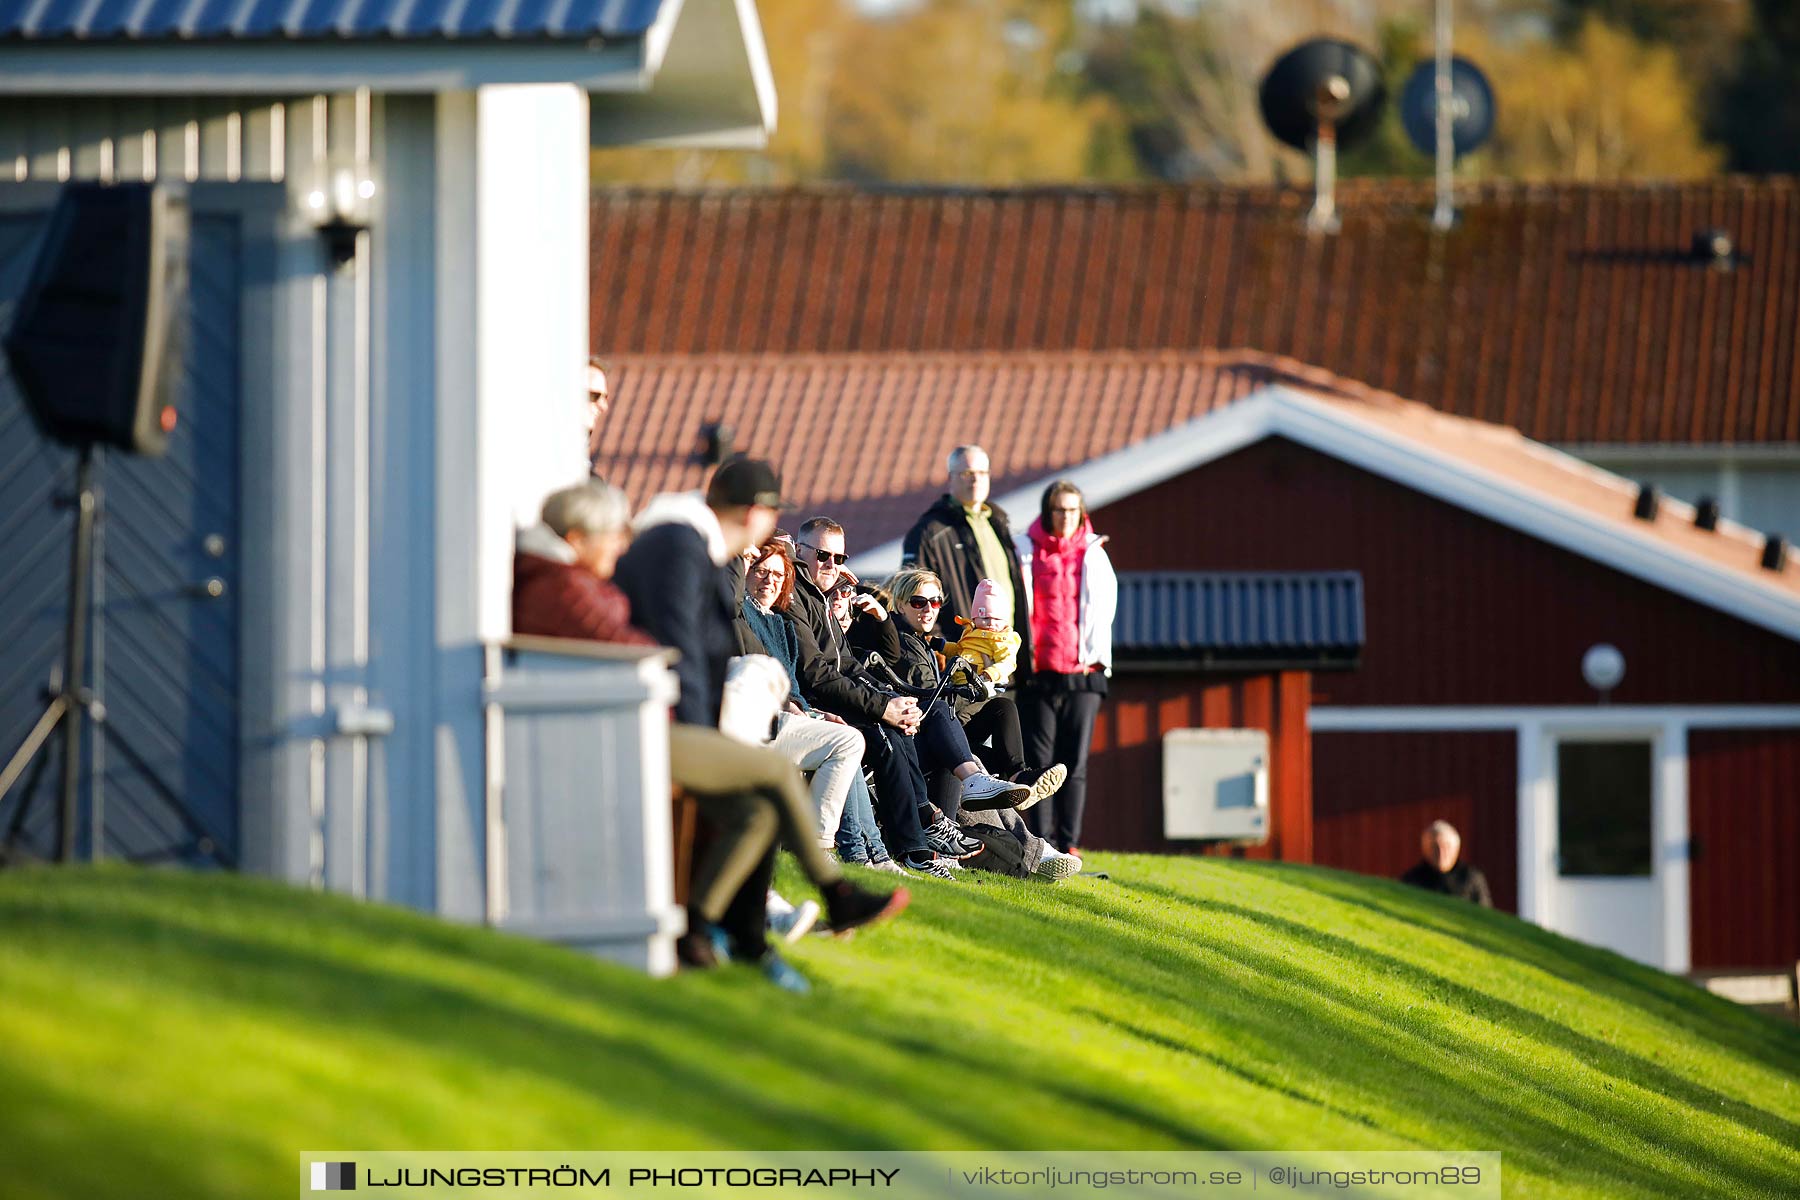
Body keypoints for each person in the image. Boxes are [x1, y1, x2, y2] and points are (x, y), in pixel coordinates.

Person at [613, 458, 908, 990]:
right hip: (646, 728)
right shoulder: (680, 547)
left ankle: (706, 931)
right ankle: (835, 895)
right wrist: (710, 742)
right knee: (769, 776)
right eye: (771, 515)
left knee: (756, 813)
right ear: (754, 512)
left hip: (666, 723)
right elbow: (681, 653)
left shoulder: (693, 549)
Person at [791, 518, 1026, 878]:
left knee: (942, 715)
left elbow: (851, 666)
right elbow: (822, 674)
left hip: (880, 714)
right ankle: (923, 835)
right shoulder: (803, 601)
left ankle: (986, 814)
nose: (831, 565)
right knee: (908, 725)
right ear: (798, 550)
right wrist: (886, 703)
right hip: (821, 712)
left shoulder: (820, 600)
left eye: (839, 558)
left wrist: (890, 699)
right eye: (822, 555)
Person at [876, 568, 1082, 881]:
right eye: (919, 602)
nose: (929, 608)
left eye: (936, 602)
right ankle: (1030, 850)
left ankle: (1018, 784)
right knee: (970, 765)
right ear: (901, 604)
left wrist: (978, 678)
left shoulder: (923, 641)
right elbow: (920, 698)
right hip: (916, 739)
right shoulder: (901, 642)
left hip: (939, 729)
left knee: (997, 721)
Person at [734, 540, 881, 863]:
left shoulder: (782, 625)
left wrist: (814, 713)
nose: (769, 580)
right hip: (757, 719)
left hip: (791, 714)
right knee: (848, 742)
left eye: (777, 574)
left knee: (846, 734)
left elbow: (796, 686)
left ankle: (873, 851)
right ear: (745, 573)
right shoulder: (739, 613)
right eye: (761, 571)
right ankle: (825, 846)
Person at [1015, 480, 1117, 856]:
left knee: (1074, 762)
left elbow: (1105, 611)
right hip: (1038, 673)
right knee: (1039, 764)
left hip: (1084, 673)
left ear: (1082, 513)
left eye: (1072, 510)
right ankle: (1040, 843)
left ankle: (1069, 842)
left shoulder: (1095, 553)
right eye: (1059, 509)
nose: (1065, 516)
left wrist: (1096, 656)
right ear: (1047, 512)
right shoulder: (1023, 550)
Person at [901, 445, 1033, 674]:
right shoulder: (930, 532)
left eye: (982, 473)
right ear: (951, 478)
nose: (976, 480)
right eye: (967, 473)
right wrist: (938, 647)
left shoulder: (998, 523)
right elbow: (912, 594)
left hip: (1005, 660)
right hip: (963, 663)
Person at [513, 480, 654, 645]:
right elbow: (625, 647)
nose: (621, 547)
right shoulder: (564, 589)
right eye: (613, 537)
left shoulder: (555, 578)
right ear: (577, 540)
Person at [1400, 821, 1494, 907]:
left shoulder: (1471, 878)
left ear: (1456, 849)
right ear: (1425, 849)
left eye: (1446, 847)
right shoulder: (1413, 879)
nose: (1441, 853)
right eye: (1435, 847)